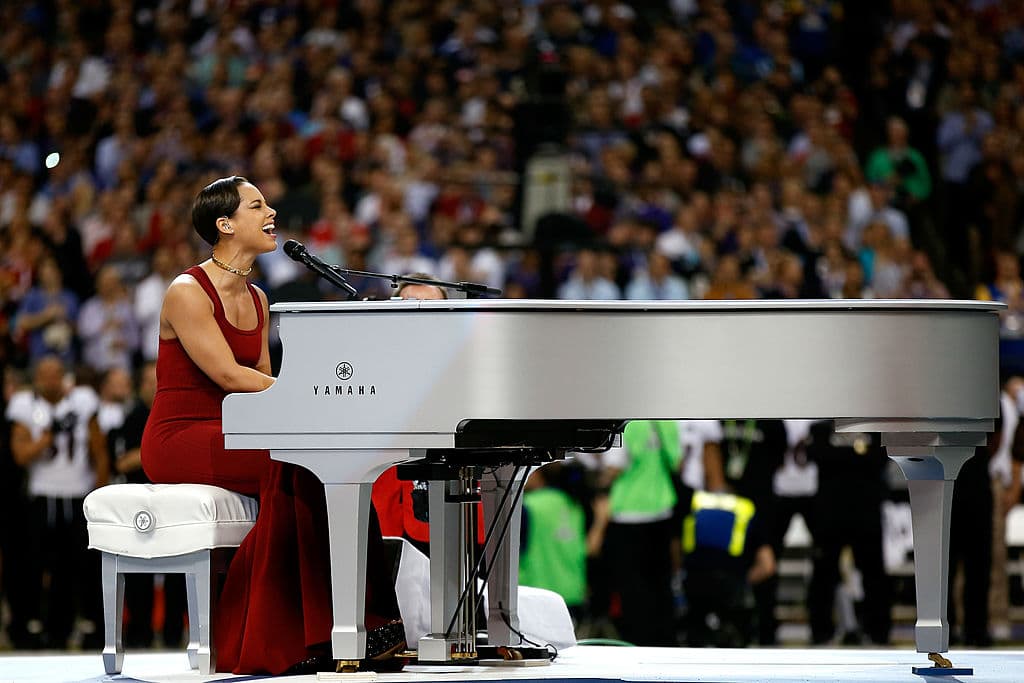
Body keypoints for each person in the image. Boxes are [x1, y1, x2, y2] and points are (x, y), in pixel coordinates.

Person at [140, 176, 404, 674]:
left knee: (331, 463)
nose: (271, 213)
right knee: (293, 461)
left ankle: (364, 623)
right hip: (180, 437)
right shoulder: (186, 291)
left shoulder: (259, 298)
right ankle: (290, 637)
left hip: (237, 428)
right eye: (257, 205)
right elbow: (229, 375)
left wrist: (313, 408)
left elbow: (261, 378)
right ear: (225, 225)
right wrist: (313, 398)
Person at [6, 355, 109, 649]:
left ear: (64, 376)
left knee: (78, 565)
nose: (50, 380)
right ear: (36, 378)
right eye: (45, 375)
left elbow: (99, 450)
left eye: (56, 374)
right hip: (42, 494)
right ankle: (32, 625)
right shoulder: (24, 405)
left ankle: (77, 627)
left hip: (78, 493)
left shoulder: (83, 401)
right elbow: (21, 455)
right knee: (35, 564)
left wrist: (99, 492)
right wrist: (48, 437)